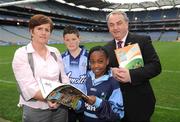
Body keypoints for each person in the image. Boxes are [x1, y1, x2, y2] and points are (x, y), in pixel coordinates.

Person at [104, 9, 162, 122]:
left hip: (140, 102)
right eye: (111, 25)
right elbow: (102, 70)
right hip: (116, 105)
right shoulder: (106, 48)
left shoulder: (142, 41)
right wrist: (110, 71)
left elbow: (156, 66)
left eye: (119, 23)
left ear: (127, 23)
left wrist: (131, 75)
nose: (115, 28)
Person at [12, 14, 69, 122]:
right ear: (31, 31)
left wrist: (63, 96)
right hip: (36, 110)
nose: (44, 33)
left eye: (47, 30)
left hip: (61, 107)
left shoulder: (54, 51)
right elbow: (28, 87)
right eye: (39, 29)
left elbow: (63, 77)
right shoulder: (21, 53)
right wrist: (53, 97)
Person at [76, 46, 124, 122]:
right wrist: (76, 104)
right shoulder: (87, 77)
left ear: (107, 61)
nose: (96, 66)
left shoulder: (113, 82)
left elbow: (118, 113)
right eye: (92, 62)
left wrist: (97, 102)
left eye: (100, 61)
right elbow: (83, 105)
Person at [62, 25, 88, 122]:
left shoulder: (88, 56)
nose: (71, 42)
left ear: (79, 39)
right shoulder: (61, 58)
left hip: (86, 101)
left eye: (73, 39)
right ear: (64, 40)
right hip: (67, 102)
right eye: (67, 40)